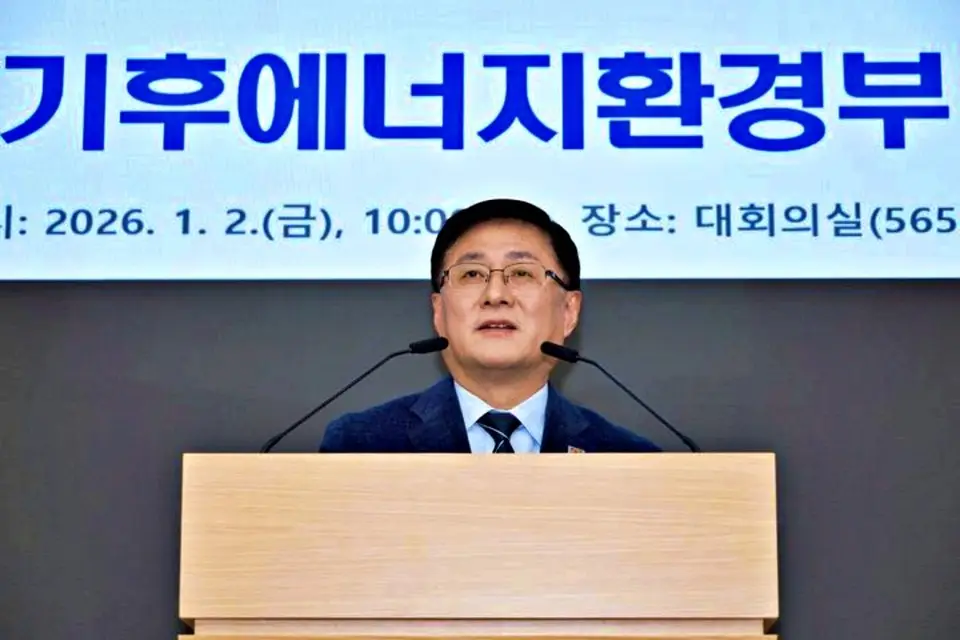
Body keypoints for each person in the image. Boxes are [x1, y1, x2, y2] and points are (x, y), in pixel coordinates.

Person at [319, 198, 662, 453]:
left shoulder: (627, 458)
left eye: (522, 273)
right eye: (471, 274)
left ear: (569, 311)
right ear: (438, 312)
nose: (495, 295)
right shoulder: (361, 445)